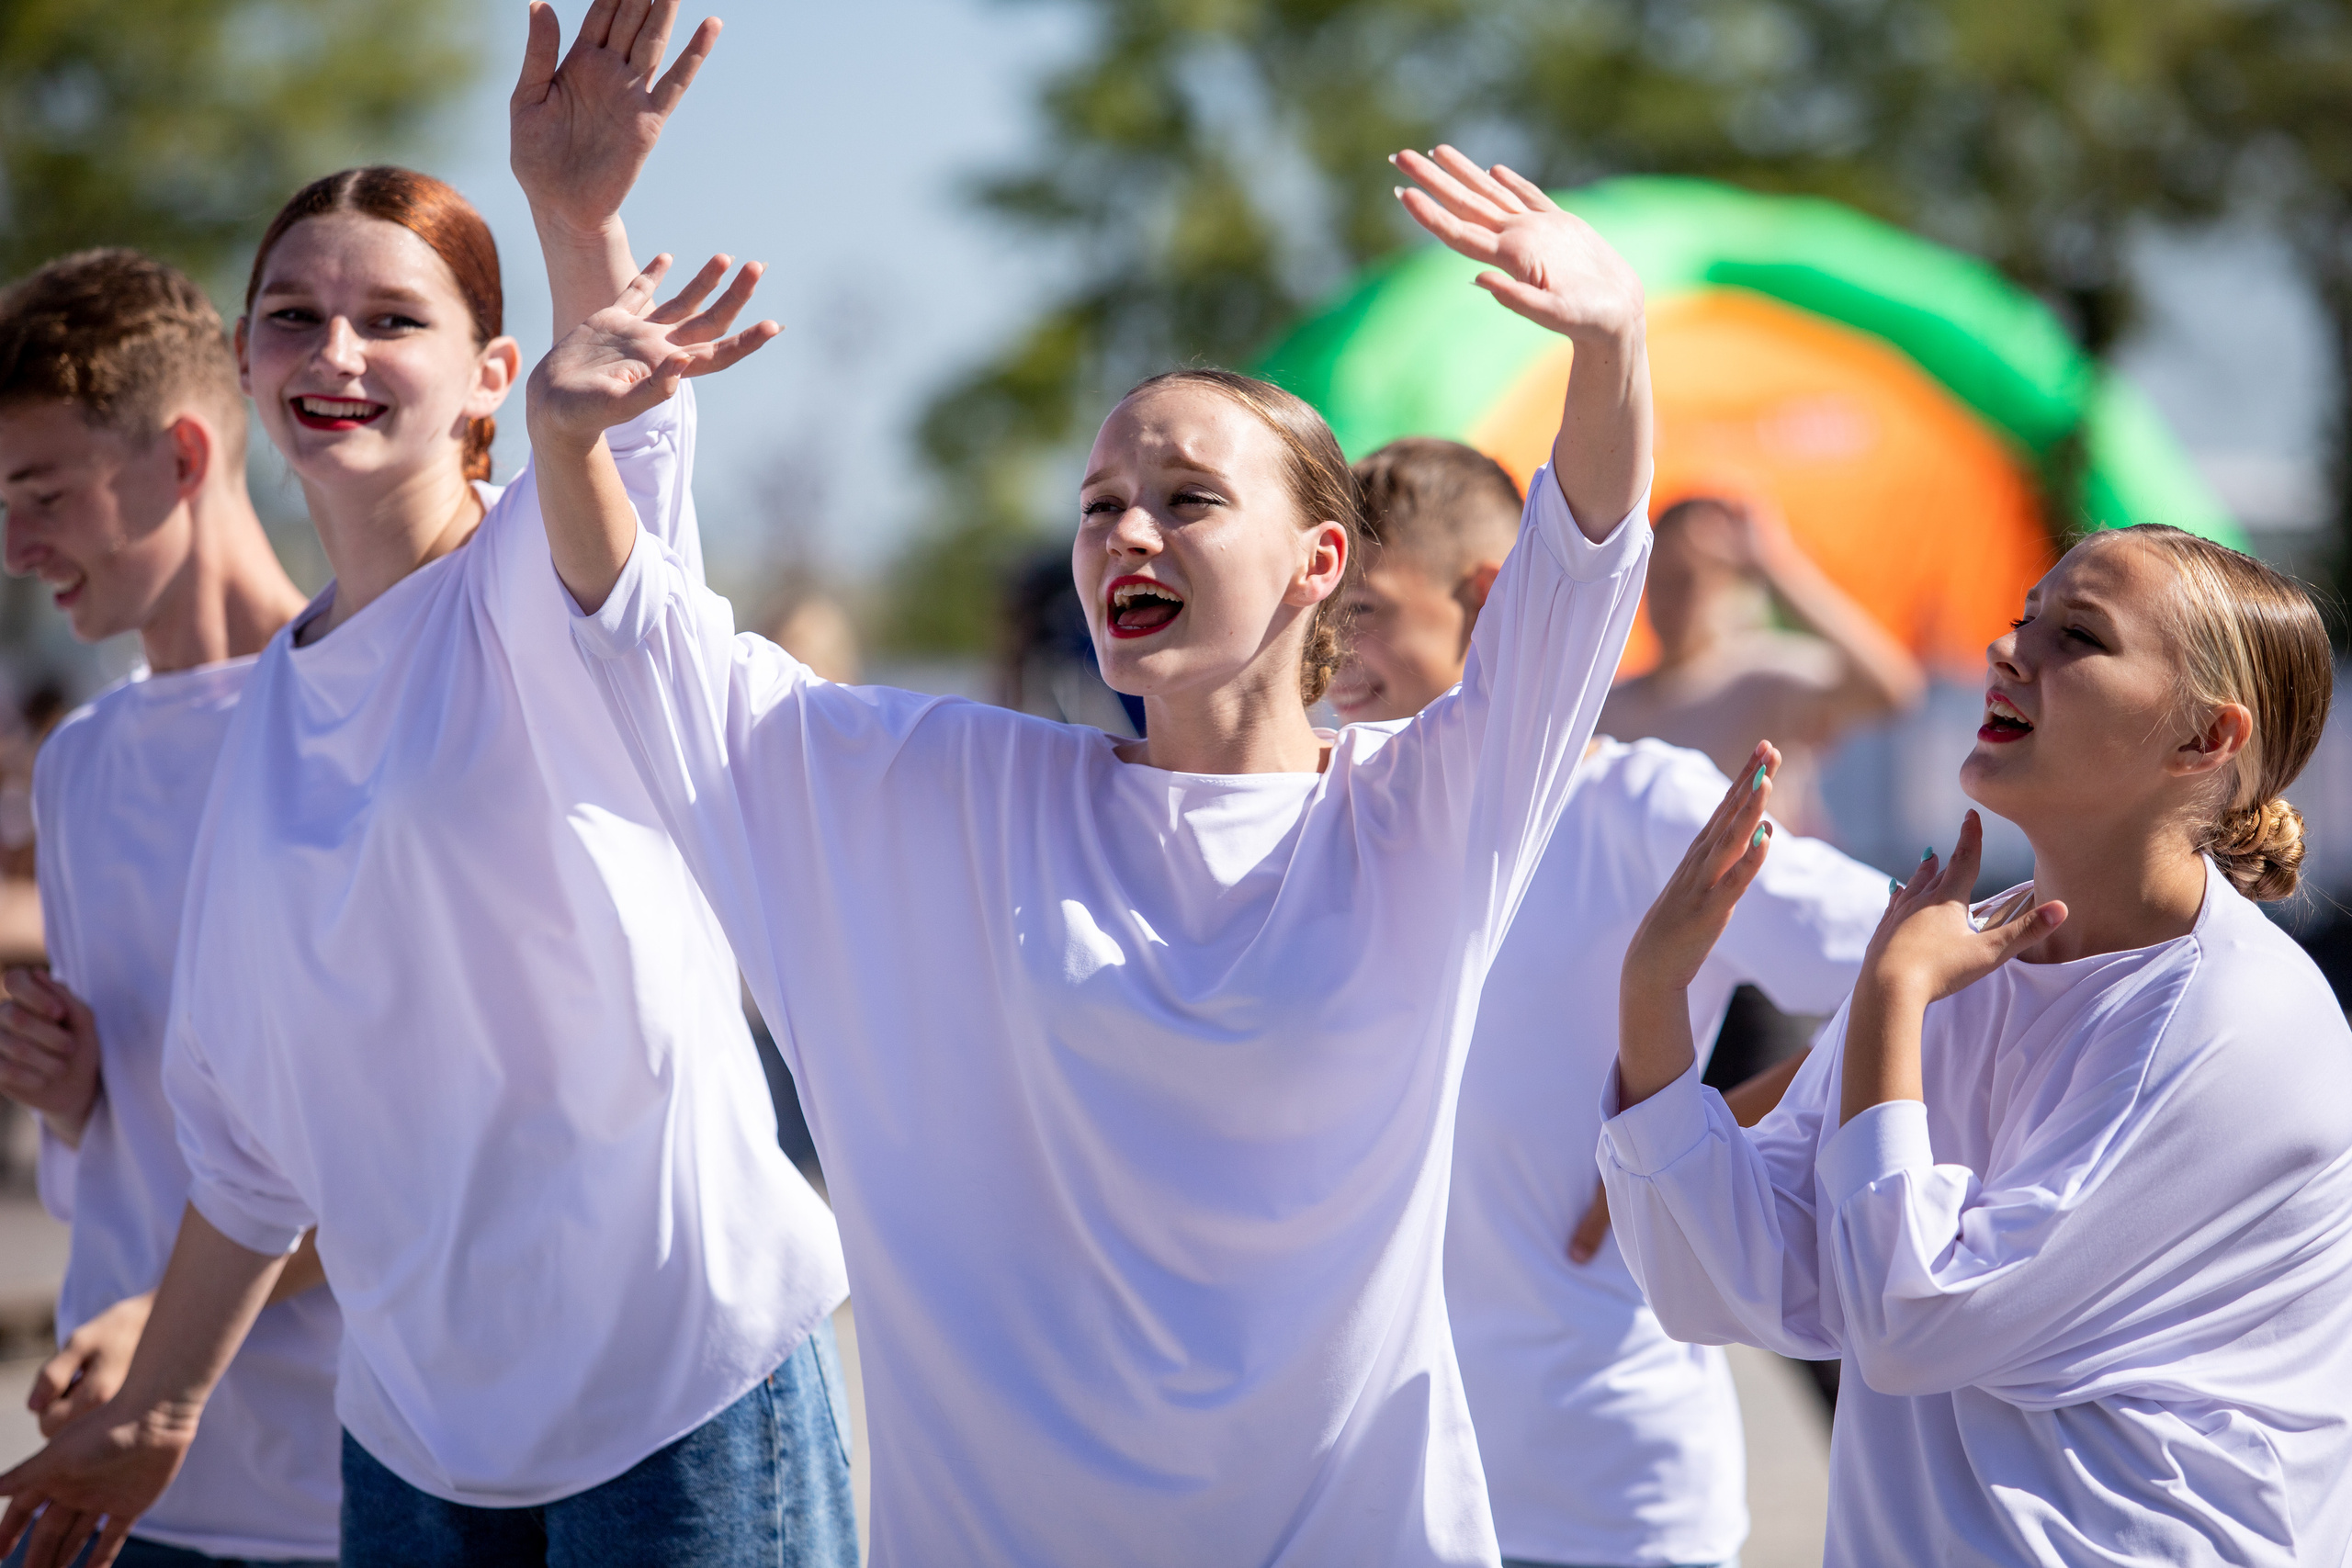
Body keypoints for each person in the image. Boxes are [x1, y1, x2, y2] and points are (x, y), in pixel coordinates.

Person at [518, 148, 1650, 1564]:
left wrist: (1611, 341)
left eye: (1187, 497)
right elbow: (654, 647)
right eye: (1100, 499)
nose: (1126, 525)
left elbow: (1580, 578)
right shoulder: (964, 792)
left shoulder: (1422, 811)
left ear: (1318, 565)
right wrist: (577, 310)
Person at [0, 7, 852, 1566]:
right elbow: (255, 1139)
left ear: (488, 377)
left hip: (672, 1387)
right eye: (292, 316)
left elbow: (622, 456)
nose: (336, 352)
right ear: (248, 369)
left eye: (392, 320)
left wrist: (575, 218)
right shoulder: (271, 714)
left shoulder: (549, 575)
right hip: (416, 1434)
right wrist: (163, 1405)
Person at [1601, 527, 2352, 1564]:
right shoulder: (1957, 945)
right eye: (2022, 619)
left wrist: (1890, 998)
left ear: (2203, 741)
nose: (2009, 653)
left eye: (2076, 636)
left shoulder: (2242, 1020)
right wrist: (1651, 999)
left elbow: (1914, 1323)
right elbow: (1723, 1279)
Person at [1333, 437, 1890, 1568]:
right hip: (1385, 1499)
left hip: (1602, 1499)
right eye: (1322, 609)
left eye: (1367, 610)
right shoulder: (1330, 813)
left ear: (1483, 598)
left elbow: (1932, 972)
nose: (1332, 648)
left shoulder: (1635, 802)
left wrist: (1695, 1136)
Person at [0, 249, 338, 1568]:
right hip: (120, 1491)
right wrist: (74, 1095)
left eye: (43, 495)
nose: (18, 550)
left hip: (337, 1488)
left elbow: (418, 1152)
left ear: (186, 456)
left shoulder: (356, 719)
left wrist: (167, 1326)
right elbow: (128, 1152)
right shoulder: (82, 760)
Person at [1598, 491, 1925, 838]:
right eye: (1656, 579)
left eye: (1685, 580)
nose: (1666, 599)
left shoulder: (1762, 676)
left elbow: (1893, 690)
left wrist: (1774, 566)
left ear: (1729, 581)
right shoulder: (1612, 703)